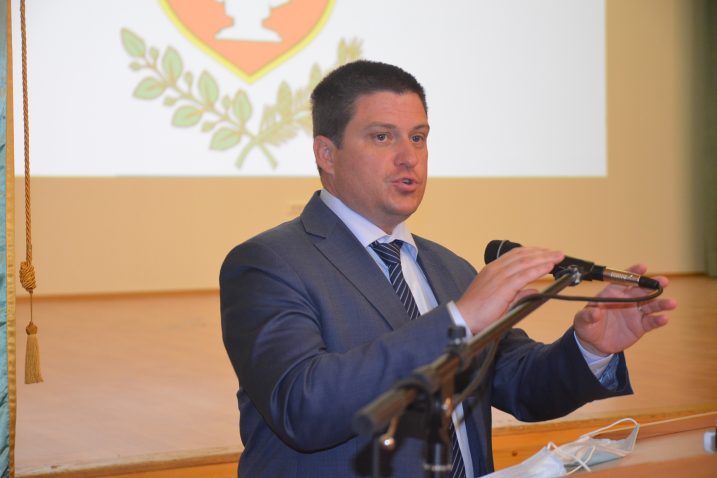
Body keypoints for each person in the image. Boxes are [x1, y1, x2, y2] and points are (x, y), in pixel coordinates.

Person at [220, 60, 676, 477]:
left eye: (418, 137)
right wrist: (457, 321)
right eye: (382, 137)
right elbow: (302, 407)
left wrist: (590, 348)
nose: (409, 156)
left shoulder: (448, 268)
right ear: (326, 153)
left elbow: (520, 385)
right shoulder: (269, 264)